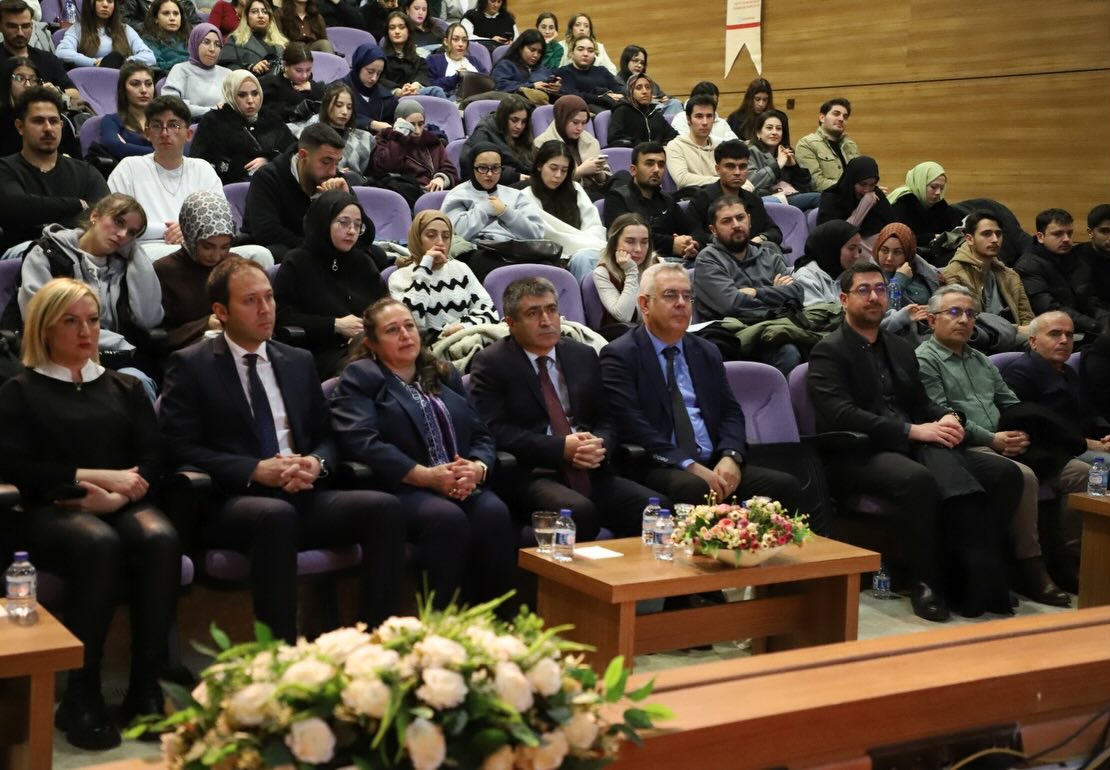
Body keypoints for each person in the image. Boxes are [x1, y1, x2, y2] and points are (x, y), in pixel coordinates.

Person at [160, 257, 405, 643]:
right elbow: (178, 446)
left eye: (269, 298)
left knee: (384, 508)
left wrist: (316, 462)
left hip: (301, 491)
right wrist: (254, 469)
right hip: (233, 500)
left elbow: (328, 435)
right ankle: (280, 653)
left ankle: (375, 641)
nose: (265, 309)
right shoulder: (191, 365)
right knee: (275, 516)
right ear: (221, 311)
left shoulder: (297, 360)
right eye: (251, 301)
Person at [0, 278, 179, 750]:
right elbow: (15, 467)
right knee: (96, 542)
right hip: (49, 510)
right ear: (44, 328)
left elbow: (153, 458)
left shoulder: (125, 386)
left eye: (93, 320)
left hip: (120, 504)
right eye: (71, 321)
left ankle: (146, 689)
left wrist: (118, 497)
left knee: (159, 537)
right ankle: (82, 695)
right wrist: (93, 477)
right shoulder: (20, 391)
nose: (86, 331)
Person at [808, 261, 1022, 621]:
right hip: (859, 452)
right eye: (864, 290)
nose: (874, 297)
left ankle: (976, 572)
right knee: (918, 480)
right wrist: (913, 431)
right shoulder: (829, 350)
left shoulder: (899, 345)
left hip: (914, 444)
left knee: (1004, 473)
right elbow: (841, 414)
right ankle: (926, 580)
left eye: (880, 289)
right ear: (844, 299)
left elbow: (920, 402)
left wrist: (948, 417)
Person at [329, 296, 514, 610]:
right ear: (371, 343)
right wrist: (426, 477)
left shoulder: (443, 373)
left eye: (409, 326)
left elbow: (481, 433)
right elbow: (361, 441)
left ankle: (496, 622)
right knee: (447, 519)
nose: (405, 335)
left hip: (459, 481)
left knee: (494, 513)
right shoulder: (362, 377)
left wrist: (477, 468)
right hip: (402, 487)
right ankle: (440, 622)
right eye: (392, 330)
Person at [914, 285, 1087, 606]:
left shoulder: (980, 360)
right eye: (954, 312)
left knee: (1081, 473)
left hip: (1006, 440)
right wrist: (993, 439)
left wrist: (1020, 432)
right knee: (1024, 476)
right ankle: (1029, 566)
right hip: (965, 446)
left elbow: (1011, 402)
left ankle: (1070, 559)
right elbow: (942, 414)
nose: (964, 320)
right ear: (932, 320)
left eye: (970, 313)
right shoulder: (925, 360)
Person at [470, 276, 666, 540]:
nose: (546, 321)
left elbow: (606, 417)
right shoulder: (492, 363)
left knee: (655, 509)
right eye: (533, 313)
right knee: (579, 512)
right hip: (535, 474)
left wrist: (599, 445)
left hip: (590, 469)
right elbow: (494, 430)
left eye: (551, 310)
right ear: (511, 323)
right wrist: (561, 448)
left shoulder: (582, 355)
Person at [600, 261, 801, 510]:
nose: (681, 303)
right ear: (644, 304)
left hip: (713, 460)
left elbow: (730, 412)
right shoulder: (620, 354)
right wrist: (688, 465)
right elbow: (631, 423)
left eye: (687, 296)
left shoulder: (706, 350)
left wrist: (731, 456)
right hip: (658, 464)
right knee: (695, 488)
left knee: (784, 486)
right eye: (670, 295)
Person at [12, 193, 163, 375]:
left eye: (132, 232)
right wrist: (118, 344)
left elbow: (149, 319)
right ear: (95, 216)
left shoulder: (126, 266)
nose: (123, 235)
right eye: (118, 222)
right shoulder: (47, 254)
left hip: (115, 361)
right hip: (57, 356)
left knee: (139, 378)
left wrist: (135, 252)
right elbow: (39, 319)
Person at [273, 190, 388, 377]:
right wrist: (334, 325)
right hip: (322, 351)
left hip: (368, 345)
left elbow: (385, 305)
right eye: (344, 223)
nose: (352, 231)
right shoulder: (298, 262)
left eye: (358, 225)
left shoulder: (363, 262)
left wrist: (369, 333)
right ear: (324, 222)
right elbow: (281, 317)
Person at [242, 122, 382, 264]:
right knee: (284, 254)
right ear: (303, 155)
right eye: (326, 162)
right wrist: (320, 250)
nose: (333, 171)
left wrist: (348, 200)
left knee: (376, 255)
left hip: (323, 250)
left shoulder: (335, 179)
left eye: (336, 163)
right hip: (289, 249)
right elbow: (267, 232)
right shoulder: (268, 177)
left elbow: (366, 236)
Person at [106, 95, 225, 260]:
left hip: (199, 246)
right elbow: (115, 222)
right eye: (156, 126)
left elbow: (221, 222)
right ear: (147, 133)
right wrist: (180, 230)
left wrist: (191, 233)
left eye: (173, 125)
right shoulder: (129, 168)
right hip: (148, 249)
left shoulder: (203, 169)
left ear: (189, 134)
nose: (164, 133)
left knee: (257, 253)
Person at [692, 195, 803, 373]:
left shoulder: (768, 254)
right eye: (727, 221)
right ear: (713, 230)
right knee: (788, 352)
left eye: (740, 218)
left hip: (774, 328)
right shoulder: (708, 260)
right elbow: (731, 304)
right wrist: (775, 294)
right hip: (733, 338)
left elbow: (797, 292)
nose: (736, 225)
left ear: (749, 220)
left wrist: (755, 292)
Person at [0, 87, 108, 256]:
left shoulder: (86, 172)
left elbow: (105, 217)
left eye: (54, 121)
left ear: (61, 126)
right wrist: (77, 204)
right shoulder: (5, 168)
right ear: (20, 126)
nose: (48, 128)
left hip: (80, 253)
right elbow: (16, 207)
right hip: (22, 256)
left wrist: (41, 212)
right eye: (38, 121)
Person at [1002, 311, 1110, 459]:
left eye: (1069, 335)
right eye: (1055, 334)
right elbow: (1033, 428)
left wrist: (1106, 435)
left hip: (1086, 443)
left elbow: (1089, 413)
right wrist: (1090, 444)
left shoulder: (1069, 371)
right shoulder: (1019, 373)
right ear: (1033, 342)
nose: (1064, 340)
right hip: (1053, 451)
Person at [441, 141, 546, 280]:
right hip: (480, 252)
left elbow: (536, 234)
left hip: (515, 251)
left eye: (495, 168)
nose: (490, 174)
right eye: (483, 168)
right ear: (472, 167)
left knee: (549, 267)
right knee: (485, 264)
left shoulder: (515, 195)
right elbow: (453, 234)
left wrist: (506, 213)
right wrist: (484, 209)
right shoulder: (457, 195)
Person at [388, 209, 497, 338]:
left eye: (446, 237)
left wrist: (463, 327)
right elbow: (413, 323)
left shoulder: (460, 268)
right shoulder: (399, 277)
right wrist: (425, 267)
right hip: (432, 345)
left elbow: (489, 311)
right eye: (431, 235)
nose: (440, 242)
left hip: (469, 337)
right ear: (417, 239)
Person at [153, 189, 237, 349]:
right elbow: (159, 339)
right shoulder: (164, 271)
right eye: (207, 247)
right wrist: (204, 325)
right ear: (191, 237)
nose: (216, 256)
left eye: (224, 247)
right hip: (188, 353)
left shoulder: (234, 265)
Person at [190, 69, 295, 184]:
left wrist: (269, 160)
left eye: (255, 93)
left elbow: (293, 152)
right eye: (242, 95)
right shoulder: (213, 121)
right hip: (227, 186)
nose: (250, 100)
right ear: (230, 96)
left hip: (271, 183)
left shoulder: (271, 118)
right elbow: (199, 164)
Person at [942, 210, 1034, 339]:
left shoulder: (1010, 275)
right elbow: (963, 320)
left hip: (1015, 339)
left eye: (998, 234)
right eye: (986, 234)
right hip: (980, 339)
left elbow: (1027, 318)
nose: (995, 240)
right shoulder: (953, 273)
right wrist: (1016, 329)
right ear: (969, 239)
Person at [602, 140, 698, 262]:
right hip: (637, 262)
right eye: (649, 164)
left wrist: (690, 244)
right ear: (633, 170)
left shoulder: (667, 200)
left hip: (674, 261)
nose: (656, 169)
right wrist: (671, 244)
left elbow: (691, 229)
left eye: (661, 165)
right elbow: (624, 237)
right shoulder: (617, 197)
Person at [522, 139, 604, 281]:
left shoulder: (576, 189)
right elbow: (546, 236)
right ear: (540, 166)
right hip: (551, 258)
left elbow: (594, 225)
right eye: (553, 168)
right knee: (583, 259)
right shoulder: (525, 196)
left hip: (587, 250)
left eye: (564, 170)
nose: (558, 175)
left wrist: (584, 246)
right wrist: (583, 246)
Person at [1015, 208, 1103, 337]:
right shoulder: (1028, 266)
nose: (1066, 239)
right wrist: (1095, 326)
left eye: (1069, 233)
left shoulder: (1076, 257)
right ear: (1040, 237)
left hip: (1083, 327)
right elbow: (1048, 308)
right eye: (1058, 234)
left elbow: (1089, 299)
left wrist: (1104, 319)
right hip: (1053, 333)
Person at [687, 140, 782, 254]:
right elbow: (696, 235)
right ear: (718, 169)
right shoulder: (701, 199)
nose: (737, 172)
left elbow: (774, 232)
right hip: (716, 257)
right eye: (730, 166)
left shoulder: (753, 200)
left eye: (742, 166)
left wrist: (760, 238)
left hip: (753, 257)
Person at [371, 97, 457, 202]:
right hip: (405, 196)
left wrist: (441, 178)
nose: (417, 131)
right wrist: (399, 136)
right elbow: (388, 166)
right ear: (399, 122)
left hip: (434, 192)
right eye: (411, 125)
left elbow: (449, 169)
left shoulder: (432, 142)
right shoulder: (385, 140)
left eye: (421, 124)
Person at [0, 0, 81, 109]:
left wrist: (56, 92)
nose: (20, 33)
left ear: (32, 26)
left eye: (25, 26)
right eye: (12, 26)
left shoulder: (47, 59)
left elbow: (75, 94)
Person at [0, 54, 78, 157]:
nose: (28, 85)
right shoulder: (3, 119)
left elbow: (75, 159)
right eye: (19, 78)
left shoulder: (55, 118)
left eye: (33, 80)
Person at [816, 155, 894, 257]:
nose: (867, 190)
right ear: (851, 181)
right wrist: (865, 205)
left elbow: (894, 225)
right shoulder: (832, 198)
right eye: (862, 184)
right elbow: (836, 238)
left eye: (872, 185)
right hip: (841, 256)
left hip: (881, 255)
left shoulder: (876, 194)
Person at [873, 221, 942, 337]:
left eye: (897, 252)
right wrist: (898, 282)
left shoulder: (922, 270)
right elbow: (887, 317)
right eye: (884, 250)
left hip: (934, 330)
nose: (889, 258)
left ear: (908, 254)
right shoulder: (870, 277)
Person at [532, 94, 608, 195]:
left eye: (583, 123)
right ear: (562, 119)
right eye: (575, 122)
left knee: (621, 176)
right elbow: (543, 182)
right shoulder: (542, 143)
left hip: (594, 191)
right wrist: (580, 171)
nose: (580, 128)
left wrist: (599, 173)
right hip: (564, 195)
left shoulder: (591, 141)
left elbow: (605, 179)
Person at [591, 212, 657, 327]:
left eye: (644, 242)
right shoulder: (603, 273)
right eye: (630, 241)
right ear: (614, 243)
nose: (638, 249)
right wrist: (631, 272)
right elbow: (624, 316)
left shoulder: (657, 265)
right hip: (624, 335)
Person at [746, 109, 818, 210]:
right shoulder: (750, 152)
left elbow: (809, 187)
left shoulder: (785, 151)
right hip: (770, 200)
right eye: (769, 128)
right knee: (820, 199)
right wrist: (777, 165)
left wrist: (794, 167)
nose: (774, 132)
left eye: (779, 129)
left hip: (793, 197)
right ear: (758, 133)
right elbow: (751, 182)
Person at [56, 0, 156, 68]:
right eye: (100, 0)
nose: (105, 5)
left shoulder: (126, 30)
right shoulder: (78, 29)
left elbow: (149, 57)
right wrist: (94, 63)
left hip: (122, 81)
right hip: (91, 78)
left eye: (110, 1)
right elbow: (62, 52)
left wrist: (124, 62)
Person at [461, 93, 532, 186]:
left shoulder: (523, 135)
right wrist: (516, 176)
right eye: (514, 120)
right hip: (491, 186)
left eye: (524, 122)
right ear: (503, 117)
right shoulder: (484, 133)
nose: (519, 126)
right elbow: (477, 168)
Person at [163, 23, 232, 119]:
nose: (212, 49)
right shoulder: (180, 70)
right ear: (195, 43)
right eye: (206, 42)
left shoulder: (228, 73)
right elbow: (172, 105)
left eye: (217, 45)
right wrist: (213, 111)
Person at [888, 161, 963, 249]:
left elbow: (954, 226)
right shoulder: (903, 201)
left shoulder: (938, 202)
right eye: (933, 187)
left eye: (942, 188)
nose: (938, 192)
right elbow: (903, 239)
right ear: (920, 183)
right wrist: (934, 237)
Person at [310, 81, 375, 183]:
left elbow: (375, 176)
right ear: (326, 106)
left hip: (357, 187)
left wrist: (356, 178)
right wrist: (335, 172)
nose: (345, 112)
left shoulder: (365, 138)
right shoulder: (311, 134)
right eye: (339, 105)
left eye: (349, 107)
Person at [795, 97, 860, 192]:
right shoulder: (806, 144)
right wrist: (851, 188)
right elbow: (816, 183)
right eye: (836, 114)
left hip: (853, 195)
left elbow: (860, 178)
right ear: (822, 117)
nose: (841, 119)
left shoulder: (851, 146)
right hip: (826, 197)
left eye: (845, 117)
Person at [96, 60, 155, 162]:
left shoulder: (165, 119)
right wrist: (161, 152)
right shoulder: (111, 120)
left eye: (148, 84)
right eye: (135, 84)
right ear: (123, 89)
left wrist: (127, 147)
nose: (144, 90)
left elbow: (181, 150)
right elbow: (114, 146)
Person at [792, 220, 862, 306]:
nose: (857, 255)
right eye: (851, 248)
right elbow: (818, 313)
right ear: (832, 248)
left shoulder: (850, 275)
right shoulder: (805, 277)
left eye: (859, 249)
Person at [382, 12, 446, 99]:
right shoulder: (381, 57)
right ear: (387, 32)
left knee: (436, 91)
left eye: (402, 27)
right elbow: (380, 80)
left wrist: (415, 86)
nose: (397, 31)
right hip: (391, 96)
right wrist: (397, 91)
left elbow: (422, 75)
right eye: (392, 28)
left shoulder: (418, 59)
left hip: (414, 93)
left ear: (408, 31)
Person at [606, 70, 677, 148]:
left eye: (648, 87)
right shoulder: (622, 110)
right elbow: (615, 137)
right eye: (638, 88)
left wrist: (661, 147)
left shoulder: (655, 113)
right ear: (630, 92)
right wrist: (643, 147)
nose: (644, 91)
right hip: (631, 153)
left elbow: (673, 136)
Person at [553, 35, 623, 113]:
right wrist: (602, 98)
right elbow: (573, 95)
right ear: (572, 52)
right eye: (580, 49)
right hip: (582, 112)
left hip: (612, 109)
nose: (585, 54)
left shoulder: (602, 71)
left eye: (590, 50)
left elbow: (619, 90)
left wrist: (619, 96)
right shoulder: (565, 71)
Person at [665, 93, 720, 190]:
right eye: (699, 116)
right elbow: (682, 179)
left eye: (709, 116)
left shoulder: (720, 145)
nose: (705, 122)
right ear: (688, 119)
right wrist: (723, 181)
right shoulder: (676, 146)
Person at [218, 0, 287, 77]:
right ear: (246, 17)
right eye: (254, 12)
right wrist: (250, 68)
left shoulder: (281, 44)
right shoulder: (235, 40)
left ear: (270, 17)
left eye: (265, 12)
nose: (261, 15)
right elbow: (225, 68)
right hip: (250, 82)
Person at [259, 41, 323, 122]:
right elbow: (267, 114)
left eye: (308, 70)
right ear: (285, 65)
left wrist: (312, 88)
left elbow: (325, 105)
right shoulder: (271, 84)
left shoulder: (311, 85)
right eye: (298, 70)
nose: (304, 75)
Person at [490, 28, 559, 104]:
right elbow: (500, 85)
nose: (536, 55)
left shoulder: (542, 69)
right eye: (532, 50)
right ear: (520, 48)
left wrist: (554, 86)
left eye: (539, 52)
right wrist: (532, 86)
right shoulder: (506, 65)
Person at [1068, 204, 1110, 324]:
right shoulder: (1076, 257)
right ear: (1090, 232)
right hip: (1093, 321)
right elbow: (1086, 301)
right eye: (1104, 231)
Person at [344, 42, 398, 131]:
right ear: (358, 66)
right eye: (370, 71)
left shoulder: (387, 98)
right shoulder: (337, 89)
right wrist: (371, 124)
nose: (374, 78)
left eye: (379, 73)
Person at [615, 44, 680, 118]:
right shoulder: (616, 81)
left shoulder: (646, 80)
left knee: (675, 103)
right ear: (626, 61)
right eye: (635, 61)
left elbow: (662, 95)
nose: (639, 65)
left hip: (655, 113)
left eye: (642, 63)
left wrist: (665, 98)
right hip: (635, 115)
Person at [426, 22, 486, 98]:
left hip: (478, 99)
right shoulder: (434, 60)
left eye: (464, 40)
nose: (461, 44)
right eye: (455, 39)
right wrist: (457, 77)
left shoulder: (473, 60)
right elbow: (430, 87)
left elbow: (488, 81)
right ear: (446, 41)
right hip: (450, 100)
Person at [669, 81, 737, 143]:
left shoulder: (722, 123)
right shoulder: (681, 118)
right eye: (699, 116)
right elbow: (684, 144)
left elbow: (735, 144)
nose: (705, 122)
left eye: (714, 103)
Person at [140, 0, 190, 72]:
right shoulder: (148, 39)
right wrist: (186, 60)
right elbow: (157, 66)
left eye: (176, 14)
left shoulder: (191, 36)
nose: (172, 18)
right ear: (155, 18)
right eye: (166, 13)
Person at [726, 77, 772, 141]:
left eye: (765, 100)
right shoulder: (735, 118)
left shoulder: (774, 118)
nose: (761, 104)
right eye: (757, 99)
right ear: (749, 98)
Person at [120, 0, 199, 30]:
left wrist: (180, 28)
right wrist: (154, 27)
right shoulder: (134, 1)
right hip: (149, 40)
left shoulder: (185, 3)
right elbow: (124, 21)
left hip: (181, 41)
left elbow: (197, 25)